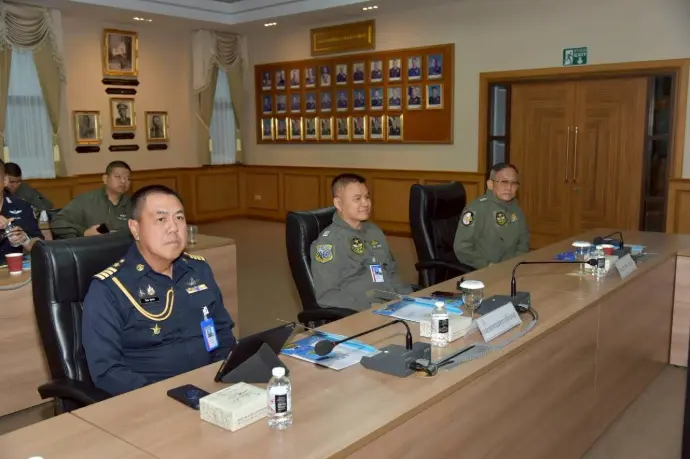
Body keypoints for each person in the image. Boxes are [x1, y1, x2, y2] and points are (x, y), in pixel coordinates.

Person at [82, 185, 237, 395]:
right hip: (152, 398)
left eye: (179, 218)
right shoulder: (109, 288)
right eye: (161, 219)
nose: (173, 228)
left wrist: (222, 374)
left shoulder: (198, 269)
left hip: (211, 385)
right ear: (135, 228)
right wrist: (161, 397)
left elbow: (222, 330)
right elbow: (107, 371)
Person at [310, 174, 411, 311]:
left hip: (392, 303)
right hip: (363, 312)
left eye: (367, 197)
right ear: (338, 203)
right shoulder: (328, 243)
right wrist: (369, 308)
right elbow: (327, 295)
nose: (365, 203)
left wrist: (409, 297)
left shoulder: (374, 231)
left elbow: (391, 270)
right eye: (357, 199)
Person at [453, 163, 529, 269]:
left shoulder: (515, 208)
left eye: (514, 183)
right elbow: (462, 248)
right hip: (484, 270)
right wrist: (488, 265)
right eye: (504, 182)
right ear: (490, 184)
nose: (509, 188)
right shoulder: (477, 209)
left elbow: (523, 242)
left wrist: (515, 263)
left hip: (512, 268)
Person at [51, 161, 133, 239]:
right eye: (118, 176)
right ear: (105, 179)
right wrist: (84, 232)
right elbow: (58, 223)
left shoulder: (133, 202)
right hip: (93, 246)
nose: (123, 181)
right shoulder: (86, 200)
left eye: (128, 179)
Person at [0, 160, 43, 263]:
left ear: (5, 180)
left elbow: (40, 244)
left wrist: (25, 240)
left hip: (15, 267)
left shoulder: (22, 206)